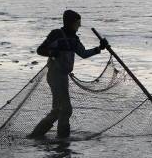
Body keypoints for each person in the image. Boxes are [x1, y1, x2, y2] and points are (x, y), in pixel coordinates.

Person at [29, 9, 108, 138]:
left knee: (58, 110)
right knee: (65, 109)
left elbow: (83, 53)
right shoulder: (56, 34)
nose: (79, 26)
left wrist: (99, 48)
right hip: (54, 74)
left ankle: (39, 135)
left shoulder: (74, 39)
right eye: (77, 23)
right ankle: (61, 138)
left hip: (63, 76)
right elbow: (40, 50)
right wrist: (51, 52)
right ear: (69, 23)